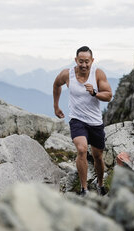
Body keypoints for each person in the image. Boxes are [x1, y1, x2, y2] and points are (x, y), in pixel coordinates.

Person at [53, 46, 112, 196]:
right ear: (76, 60)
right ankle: (84, 189)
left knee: (98, 156)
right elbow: (56, 84)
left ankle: (100, 184)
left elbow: (109, 95)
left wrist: (94, 92)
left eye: (87, 61)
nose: (84, 65)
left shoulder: (97, 73)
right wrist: (56, 106)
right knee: (81, 149)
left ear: (92, 61)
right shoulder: (68, 74)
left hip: (95, 122)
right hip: (77, 119)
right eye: (81, 61)